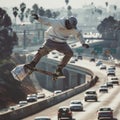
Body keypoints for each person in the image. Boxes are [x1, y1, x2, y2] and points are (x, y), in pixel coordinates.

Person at [24, 14, 89, 78]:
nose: (70, 28)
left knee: (70, 53)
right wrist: (38, 18)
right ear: (67, 22)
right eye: (70, 26)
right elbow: (47, 21)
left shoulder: (74, 29)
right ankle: (32, 64)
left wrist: (83, 43)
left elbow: (79, 35)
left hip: (62, 43)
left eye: (72, 27)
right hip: (52, 40)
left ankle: (59, 69)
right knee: (42, 51)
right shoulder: (58, 22)